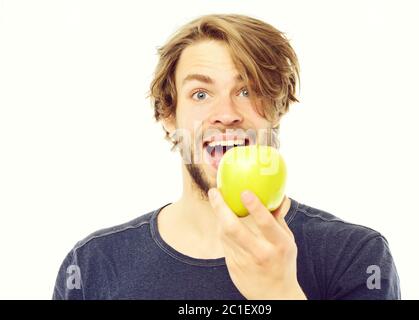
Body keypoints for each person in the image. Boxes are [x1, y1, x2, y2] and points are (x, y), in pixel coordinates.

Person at [53, 14, 401, 300]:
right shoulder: (92, 266)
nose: (227, 113)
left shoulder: (355, 256)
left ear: (276, 110)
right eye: (201, 93)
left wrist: (277, 292)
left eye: (247, 90)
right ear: (169, 114)